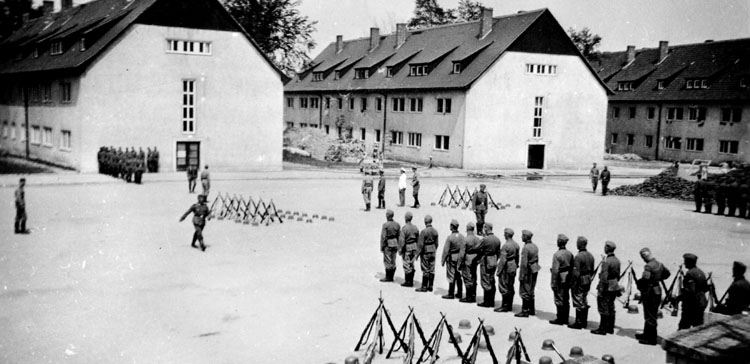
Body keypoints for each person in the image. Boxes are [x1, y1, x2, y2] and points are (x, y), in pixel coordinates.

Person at [635, 248, 671, 345]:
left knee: (649, 314)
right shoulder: (659, 264)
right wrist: (657, 278)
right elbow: (667, 274)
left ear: (644, 257)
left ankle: (651, 339)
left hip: (650, 292)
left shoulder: (648, 266)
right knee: (652, 313)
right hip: (657, 289)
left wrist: (639, 283)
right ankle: (646, 334)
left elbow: (645, 279)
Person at [591, 241, 621, 335]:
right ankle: (610, 327)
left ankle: (602, 328)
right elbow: (618, 275)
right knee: (611, 306)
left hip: (606, 287)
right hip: (614, 285)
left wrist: (600, 290)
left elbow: (603, 278)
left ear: (607, 248)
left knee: (603, 307)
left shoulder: (606, 262)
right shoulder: (617, 260)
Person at [569, 236, 596, 329]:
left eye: (577, 242)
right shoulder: (590, 255)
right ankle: (584, 321)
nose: (576, 244)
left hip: (580, 280)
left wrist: (573, 284)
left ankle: (579, 322)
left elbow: (576, 273)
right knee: (584, 299)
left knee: (578, 299)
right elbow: (592, 270)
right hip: (588, 279)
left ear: (580, 244)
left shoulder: (578, 257)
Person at [677, 253, 708, 330]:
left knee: (683, 327)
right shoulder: (701, 272)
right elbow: (706, 288)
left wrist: (679, 298)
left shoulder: (690, 273)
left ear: (689, 262)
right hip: (701, 302)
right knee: (698, 327)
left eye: (685, 261)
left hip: (692, 305)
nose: (684, 263)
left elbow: (690, 291)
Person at [549, 234, 574, 325]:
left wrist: (553, 283)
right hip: (567, 278)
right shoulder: (570, 253)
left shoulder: (557, 254)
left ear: (559, 242)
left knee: (559, 298)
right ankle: (566, 318)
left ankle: (560, 318)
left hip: (559, 278)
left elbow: (555, 270)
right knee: (566, 298)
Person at [475, 223, 501, 308]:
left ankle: (487, 301)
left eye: (484, 227)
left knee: (485, 280)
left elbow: (476, 247)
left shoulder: (485, 239)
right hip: (493, 260)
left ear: (486, 228)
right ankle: (492, 301)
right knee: (491, 280)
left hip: (486, 261)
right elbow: (498, 252)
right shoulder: (497, 239)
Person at [515, 230, 540, 317]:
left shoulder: (526, 248)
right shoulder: (535, 246)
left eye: (523, 236)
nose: (521, 237)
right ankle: (531, 309)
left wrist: (521, 275)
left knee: (524, 291)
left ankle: (525, 310)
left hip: (527, 272)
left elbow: (523, 263)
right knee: (531, 290)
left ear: (526, 237)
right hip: (534, 269)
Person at [495, 228, 520, 312]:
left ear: (507, 235)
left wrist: (499, 271)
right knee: (510, 285)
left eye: (504, 234)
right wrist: (516, 265)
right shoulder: (516, 244)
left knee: (504, 285)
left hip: (506, 266)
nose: (504, 235)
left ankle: (505, 306)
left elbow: (502, 260)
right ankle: (509, 305)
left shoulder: (506, 245)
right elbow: (517, 257)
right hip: (513, 265)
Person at [441, 219, 465, 299]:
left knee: (451, 275)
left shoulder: (450, 237)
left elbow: (446, 250)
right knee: (458, 275)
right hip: (459, 258)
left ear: (452, 226)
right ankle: (459, 292)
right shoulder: (462, 237)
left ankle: (451, 293)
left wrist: (443, 260)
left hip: (452, 258)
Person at [415, 215, 438, 292]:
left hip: (425, 251)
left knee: (425, 269)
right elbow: (437, 243)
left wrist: (417, 254)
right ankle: (430, 286)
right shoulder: (435, 231)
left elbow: (420, 244)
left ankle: (424, 286)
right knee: (432, 269)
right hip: (433, 250)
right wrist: (434, 249)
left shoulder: (423, 232)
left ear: (425, 222)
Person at [459, 222, 481, 303]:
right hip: (474, 258)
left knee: (467, 277)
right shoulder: (477, 239)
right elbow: (480, 250)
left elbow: (462, 253)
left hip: (467, 259)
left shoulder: (465, 239)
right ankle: (473, 295)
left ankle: (469, 297)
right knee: (474, 276)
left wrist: (459, 263)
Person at [398, 212, 420, 287]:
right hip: (414, 247)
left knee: (406, 264)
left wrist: (400, 250)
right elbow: (418, 238)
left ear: (406, 218)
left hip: (407, 248)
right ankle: (411, 280)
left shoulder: (404, 228)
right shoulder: (415, 227)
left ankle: (408, 281)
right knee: (411, 263)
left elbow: (402, 241)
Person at [379, 209, 401, 283]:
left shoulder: (385, 225)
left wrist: (382, 246)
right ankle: (392, 276)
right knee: (393, 259)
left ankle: (388, 277)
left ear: (387, 216)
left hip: (388, 243)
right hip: (395, 243)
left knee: (387, 260)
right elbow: (399, 235)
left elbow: (383, 237)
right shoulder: (397, 224)